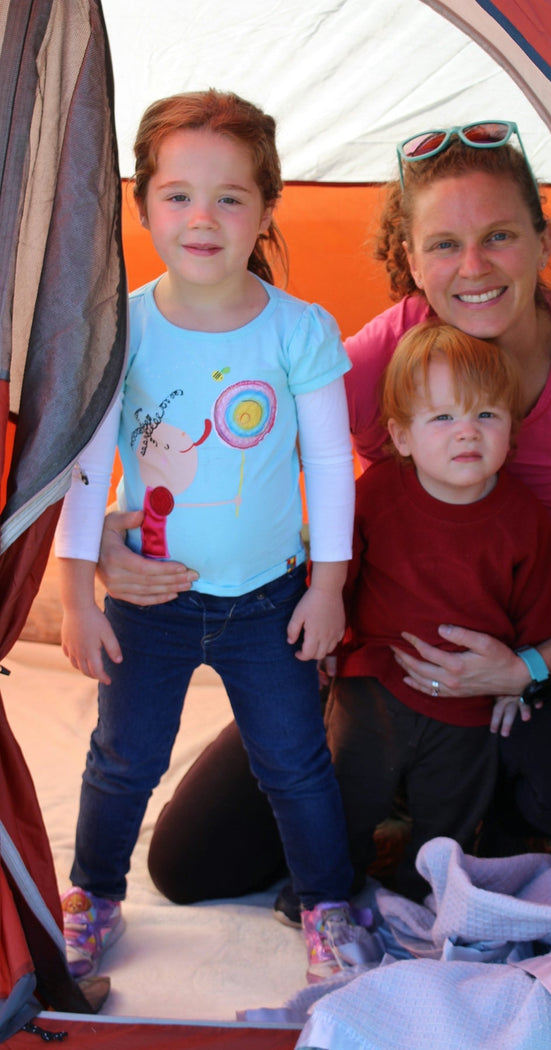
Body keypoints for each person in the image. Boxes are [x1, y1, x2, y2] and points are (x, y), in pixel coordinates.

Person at [101, 119, 551, 910]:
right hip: (380, 661)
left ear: (544, 241)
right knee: (190, 864)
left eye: (500, 236)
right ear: (410, 259)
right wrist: (111, 527)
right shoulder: (373, 359)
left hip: (542, 655)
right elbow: (222, 450)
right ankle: (382, 768)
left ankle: (454, 805)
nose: (472, 268)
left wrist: (529, 666)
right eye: (443, 244)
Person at [54, 88, 371, 985]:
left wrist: (328, 584)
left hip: (270, 599)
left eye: (231, 197)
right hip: (148, 602)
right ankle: (94, 895)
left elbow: (329, 465)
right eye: (179, 195)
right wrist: (76, 593)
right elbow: (84, 469)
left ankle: (326, 904)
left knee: (297, 765)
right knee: (123, 763)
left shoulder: (299, 330)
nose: (203, 218)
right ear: (143, 202)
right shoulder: (121, 328)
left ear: (268, 207)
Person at [325, 319, 551, 902]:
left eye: (486, 416)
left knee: (449, 816)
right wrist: (327, 649)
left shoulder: (524, 518)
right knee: (346, 792)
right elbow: (338, 576)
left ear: (512, 430)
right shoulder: (376, 493)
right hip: (374, 683)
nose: (467, 434)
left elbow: (537, 609)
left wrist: (519, 680)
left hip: (468, 705)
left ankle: (421, 903)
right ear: (402, 436)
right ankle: (328, 891)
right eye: (443, 417)